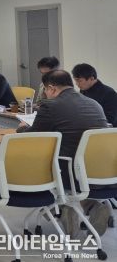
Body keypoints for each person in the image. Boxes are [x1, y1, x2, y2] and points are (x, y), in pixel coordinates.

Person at [17, 70, 110, 236]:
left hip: (68, 172)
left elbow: (33, 137)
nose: (45, 94)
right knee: (67, 173)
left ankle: (61, 210)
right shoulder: (94, 104)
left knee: (32, 168)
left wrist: (22, 128)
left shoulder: (50, 106)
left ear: (51, 88)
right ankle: (92, 206)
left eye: (45, 90)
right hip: (100, 170)